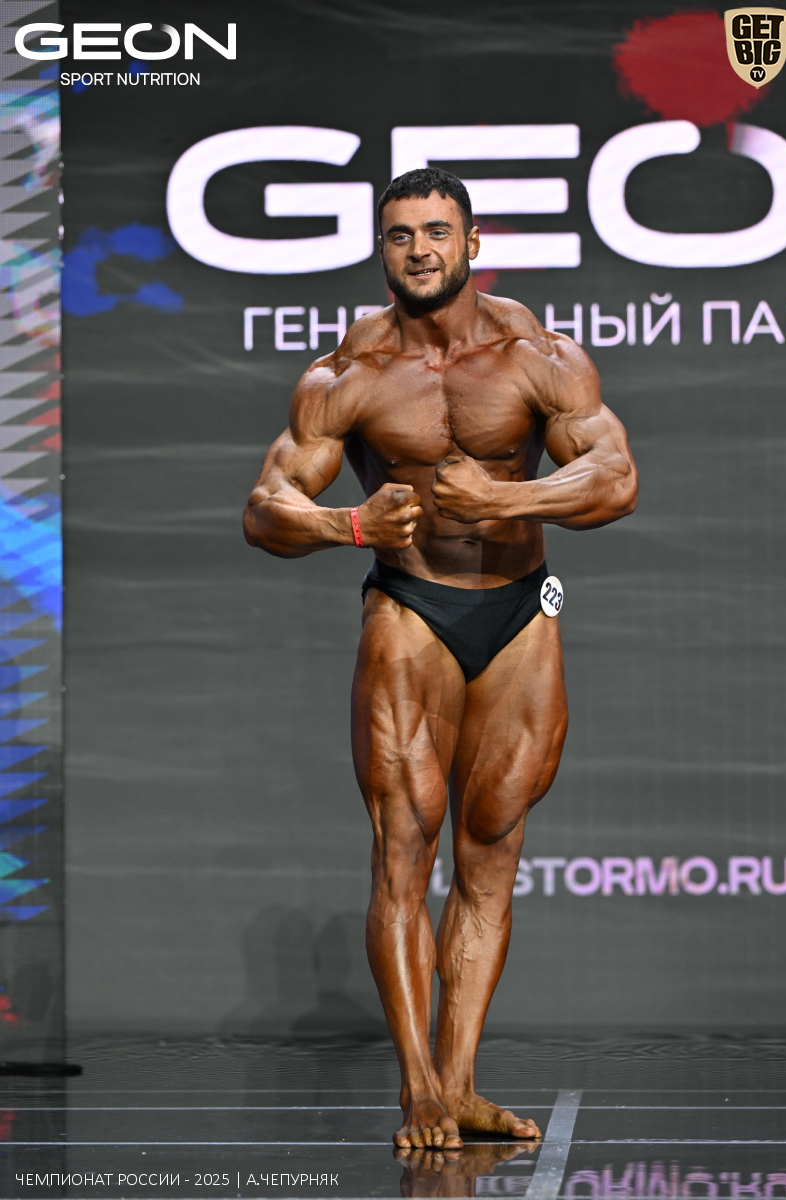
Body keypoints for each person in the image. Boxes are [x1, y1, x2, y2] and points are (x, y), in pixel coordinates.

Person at [244, 167, 638, 1150]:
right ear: (381, 249)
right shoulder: (346, 372)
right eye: (399, 235)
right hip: (409, 605)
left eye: (435, 231)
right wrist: (349, 524)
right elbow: (265, 509)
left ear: (470, 242)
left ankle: (459, 1081)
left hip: (519, 609)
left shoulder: (537, 354)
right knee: (404, 845)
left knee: (491, 848)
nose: (418, 249)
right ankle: (417, 1086)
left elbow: (615, 477)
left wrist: (508, 500)